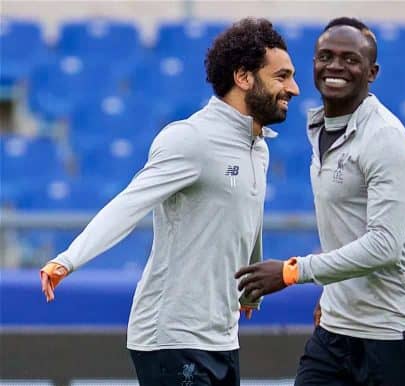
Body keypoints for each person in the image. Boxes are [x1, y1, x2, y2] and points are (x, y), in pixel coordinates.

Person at [40, 17, 299, 386]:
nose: (295, 88)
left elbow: (248, 220)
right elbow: (129, 204)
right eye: (282, 76)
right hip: (170, 338)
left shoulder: (259, 148)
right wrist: (68, 259)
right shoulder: (190, 139)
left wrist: (250, 290)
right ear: (243, 77)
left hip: (223, 338)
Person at [235, 17, 405, 386]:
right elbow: (346, 227)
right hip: (336, 329)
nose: (334, 66)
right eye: (325, 56)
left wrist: (291, 272)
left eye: (350, 59)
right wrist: (334, 293)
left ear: (372, 72)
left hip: (396, 334)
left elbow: (384, 246)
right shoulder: (317, 126)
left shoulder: (386, 139)